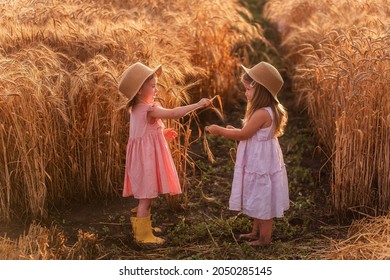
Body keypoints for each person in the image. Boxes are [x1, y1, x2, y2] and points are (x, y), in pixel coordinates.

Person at [118, 62, 211, 245]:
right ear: (138, 91)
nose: (156, 90)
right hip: (146, 162)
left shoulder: (136, 109)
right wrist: (198, 104)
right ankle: (143, 237)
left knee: (148, 195)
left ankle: (143, 226)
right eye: (152, 86)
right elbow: (175, 113)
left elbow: (143, 134)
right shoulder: (148, 110)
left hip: (142, 160)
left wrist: (162, 133)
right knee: (146, 198)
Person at [206, 61, 289, 246]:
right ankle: (255, 232)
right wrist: (234, 129)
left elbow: (244, 135)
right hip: (262, 158)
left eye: (248, 89)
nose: (246, 93)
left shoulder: (261, 113)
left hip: (260, 161)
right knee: (258, 194)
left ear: (259, 91)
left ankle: (264, 239)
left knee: (262, 197)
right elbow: (251, 133)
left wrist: (220, 130)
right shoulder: (267, 111)